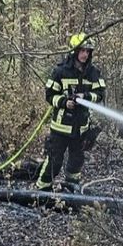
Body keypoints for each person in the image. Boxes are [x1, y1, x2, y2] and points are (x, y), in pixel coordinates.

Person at [36, 33, 106, 193]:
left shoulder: (93, 73)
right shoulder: (60, 71)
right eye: (82, 51)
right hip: (60, 128)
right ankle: (42, 190)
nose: (85, 55)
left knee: (76, 161)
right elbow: (49, 95)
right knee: (54, 160)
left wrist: (86, 96)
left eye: (88, 52)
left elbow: (100, 94)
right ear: (74, 51)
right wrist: (64, 102)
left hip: (81, 127)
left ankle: (71, 189)